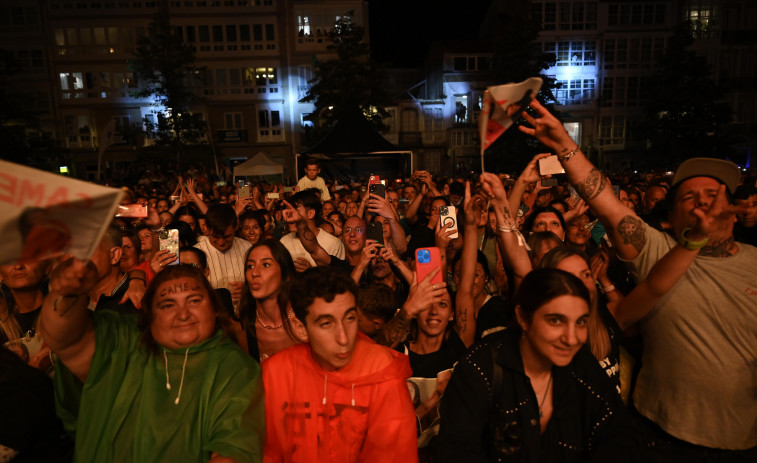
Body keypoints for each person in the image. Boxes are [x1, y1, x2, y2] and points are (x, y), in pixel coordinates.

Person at [519, 99, 757, 457]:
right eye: (689, 198)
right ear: (672, 216)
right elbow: (603, 200)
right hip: (660, 433)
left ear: (734, 212)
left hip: (742, 438)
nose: (702, 205)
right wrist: (566, 146)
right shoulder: (655, 251)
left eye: (713, 196)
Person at [39, 262, 264, 463]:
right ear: (149, 316)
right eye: (167, 305)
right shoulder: (122, 343)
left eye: (194, 300)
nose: (183, 314)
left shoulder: (234, 367)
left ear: (215, 310)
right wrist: (68, 289)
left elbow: (234, 449)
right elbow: (63, 335)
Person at [435, 268, 641, 462]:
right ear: (523, 318)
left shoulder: (581, 364)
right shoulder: (480, 367)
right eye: (556, 321)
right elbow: (455, 452)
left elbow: (621, 435)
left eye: (580, 322)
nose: (571, 339)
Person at [262, 267, 417, 462]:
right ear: (301, 328)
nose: (343, 338)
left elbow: (395, 454)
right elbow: (267, 451)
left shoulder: (380, 369)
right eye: (327, 323)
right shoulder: (275, 374)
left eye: (350, 318)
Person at [237, 239, 300, 362]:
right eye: (250, 266)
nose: (254, 273)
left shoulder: (305, 318)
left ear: (286, 274)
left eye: (266, 265)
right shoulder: (245, 328)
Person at [194, 203, 252, 305]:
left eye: (227, 236)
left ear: (236, 226)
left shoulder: (247, 248)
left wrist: (248, 289)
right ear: (207, 228)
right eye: (215, 237)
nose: (221, 242)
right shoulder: (195, 254)